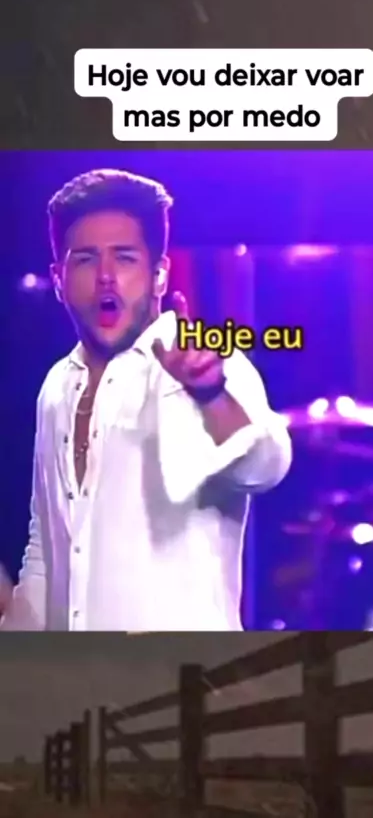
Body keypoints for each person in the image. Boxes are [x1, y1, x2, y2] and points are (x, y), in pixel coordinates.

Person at [0, 168, 292, 631]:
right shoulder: (56, 385)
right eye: (85, 260)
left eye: (125, 258)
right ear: (59, 279)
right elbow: (45, 552)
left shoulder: (206, 359)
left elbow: (266, 466)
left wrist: (210, 394)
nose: (106, 278)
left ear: (159, 274)